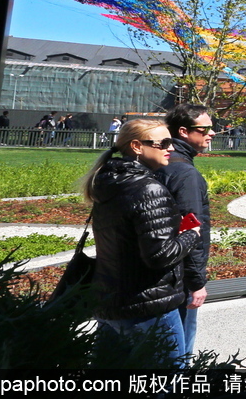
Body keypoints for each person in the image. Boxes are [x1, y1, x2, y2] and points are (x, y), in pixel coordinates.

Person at [82, 119, 200, 366]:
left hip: (109, 302)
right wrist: (192, 234)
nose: (171, 148)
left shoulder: (107, 183)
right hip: (148, 307)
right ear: (136, 146)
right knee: (167, 383)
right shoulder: (148, 189)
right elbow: (159, 256)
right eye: (164, 143)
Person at [158, 104, 214, 354]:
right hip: (177, 281)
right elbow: (190, 231)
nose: (212, 133)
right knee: (177, 355)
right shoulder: (185, 174)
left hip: (153, 275)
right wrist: (196, 282)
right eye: (206, 129)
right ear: (183, 131)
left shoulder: (159, 163)